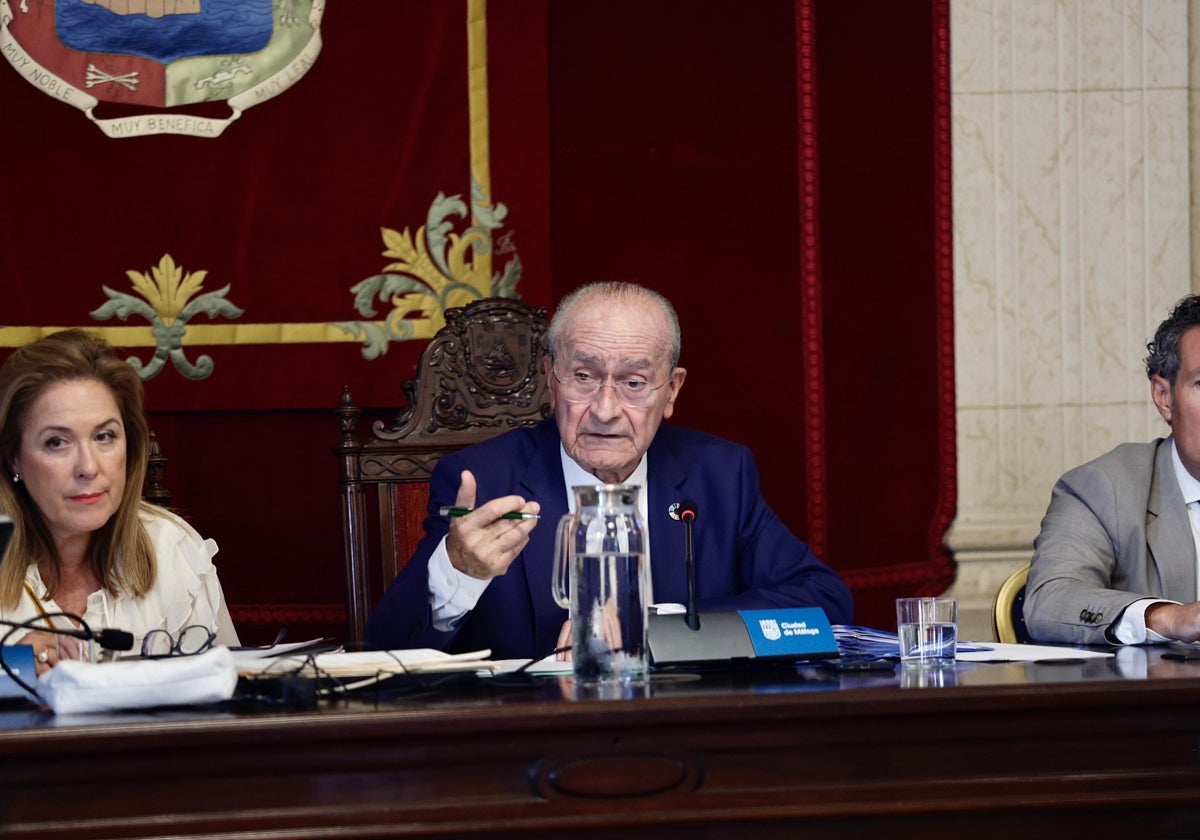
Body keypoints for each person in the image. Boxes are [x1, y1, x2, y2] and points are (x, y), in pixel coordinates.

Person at [366, 281, 853, 659]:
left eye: (634, 382)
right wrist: (456, 573)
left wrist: (656, 628)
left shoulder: (719, 475)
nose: (605, 409)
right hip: (530, 751)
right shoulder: (481, 480)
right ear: (551, 382)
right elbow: (387, 651)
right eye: (584, 376)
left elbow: (824, 604)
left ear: (672, 391)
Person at [0, 329, 239, 674]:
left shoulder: (171, 548)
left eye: (104, 436)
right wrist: (13, 667)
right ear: (14, 459)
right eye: (57, 442)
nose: (89, 467)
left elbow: (231, 696)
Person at [1027, 293, 1200, 645]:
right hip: (1163, 699)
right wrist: (1170, 618)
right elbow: (1050, 600)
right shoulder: (1103, 489)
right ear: (1164, 396)